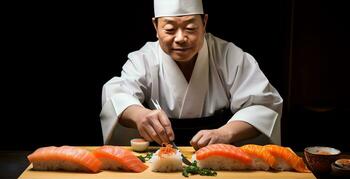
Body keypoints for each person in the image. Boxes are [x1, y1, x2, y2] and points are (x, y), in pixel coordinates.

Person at [100, 0, 283, 149]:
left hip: (219, 154)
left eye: (190, 28)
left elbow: (263, 105)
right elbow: (117, 95)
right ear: (156, 26)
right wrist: (139, 115)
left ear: (204, 22)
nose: (180, 38)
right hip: (160, 155)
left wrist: (225, 133)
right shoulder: (144, 59)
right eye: (170, 29)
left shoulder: (229, 55)